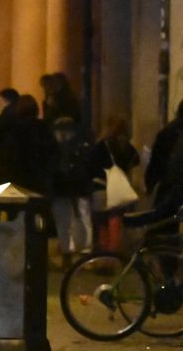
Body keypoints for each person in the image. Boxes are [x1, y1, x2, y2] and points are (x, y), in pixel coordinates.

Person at [88, 114, 140, 254]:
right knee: (115, 223)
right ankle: (114, 256)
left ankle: (103, 258)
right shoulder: (126, 146)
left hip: (100, 187)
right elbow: (136, 161)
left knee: (102, 225)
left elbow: (90, 166)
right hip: (118, 190)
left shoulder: (101, 145)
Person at [52, 115, 95, 268]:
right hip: (70, 187)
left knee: (76, 219)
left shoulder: (70, 146)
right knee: (74, 220)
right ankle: (74, 252)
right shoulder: (79, 145)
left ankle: (76, 252)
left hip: (70, 187)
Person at [145, 99, 183, 195]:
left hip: (167, 187)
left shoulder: (168, 131)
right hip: (173, 187)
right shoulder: (172, 132)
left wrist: (151, 185)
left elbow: (155, 162)